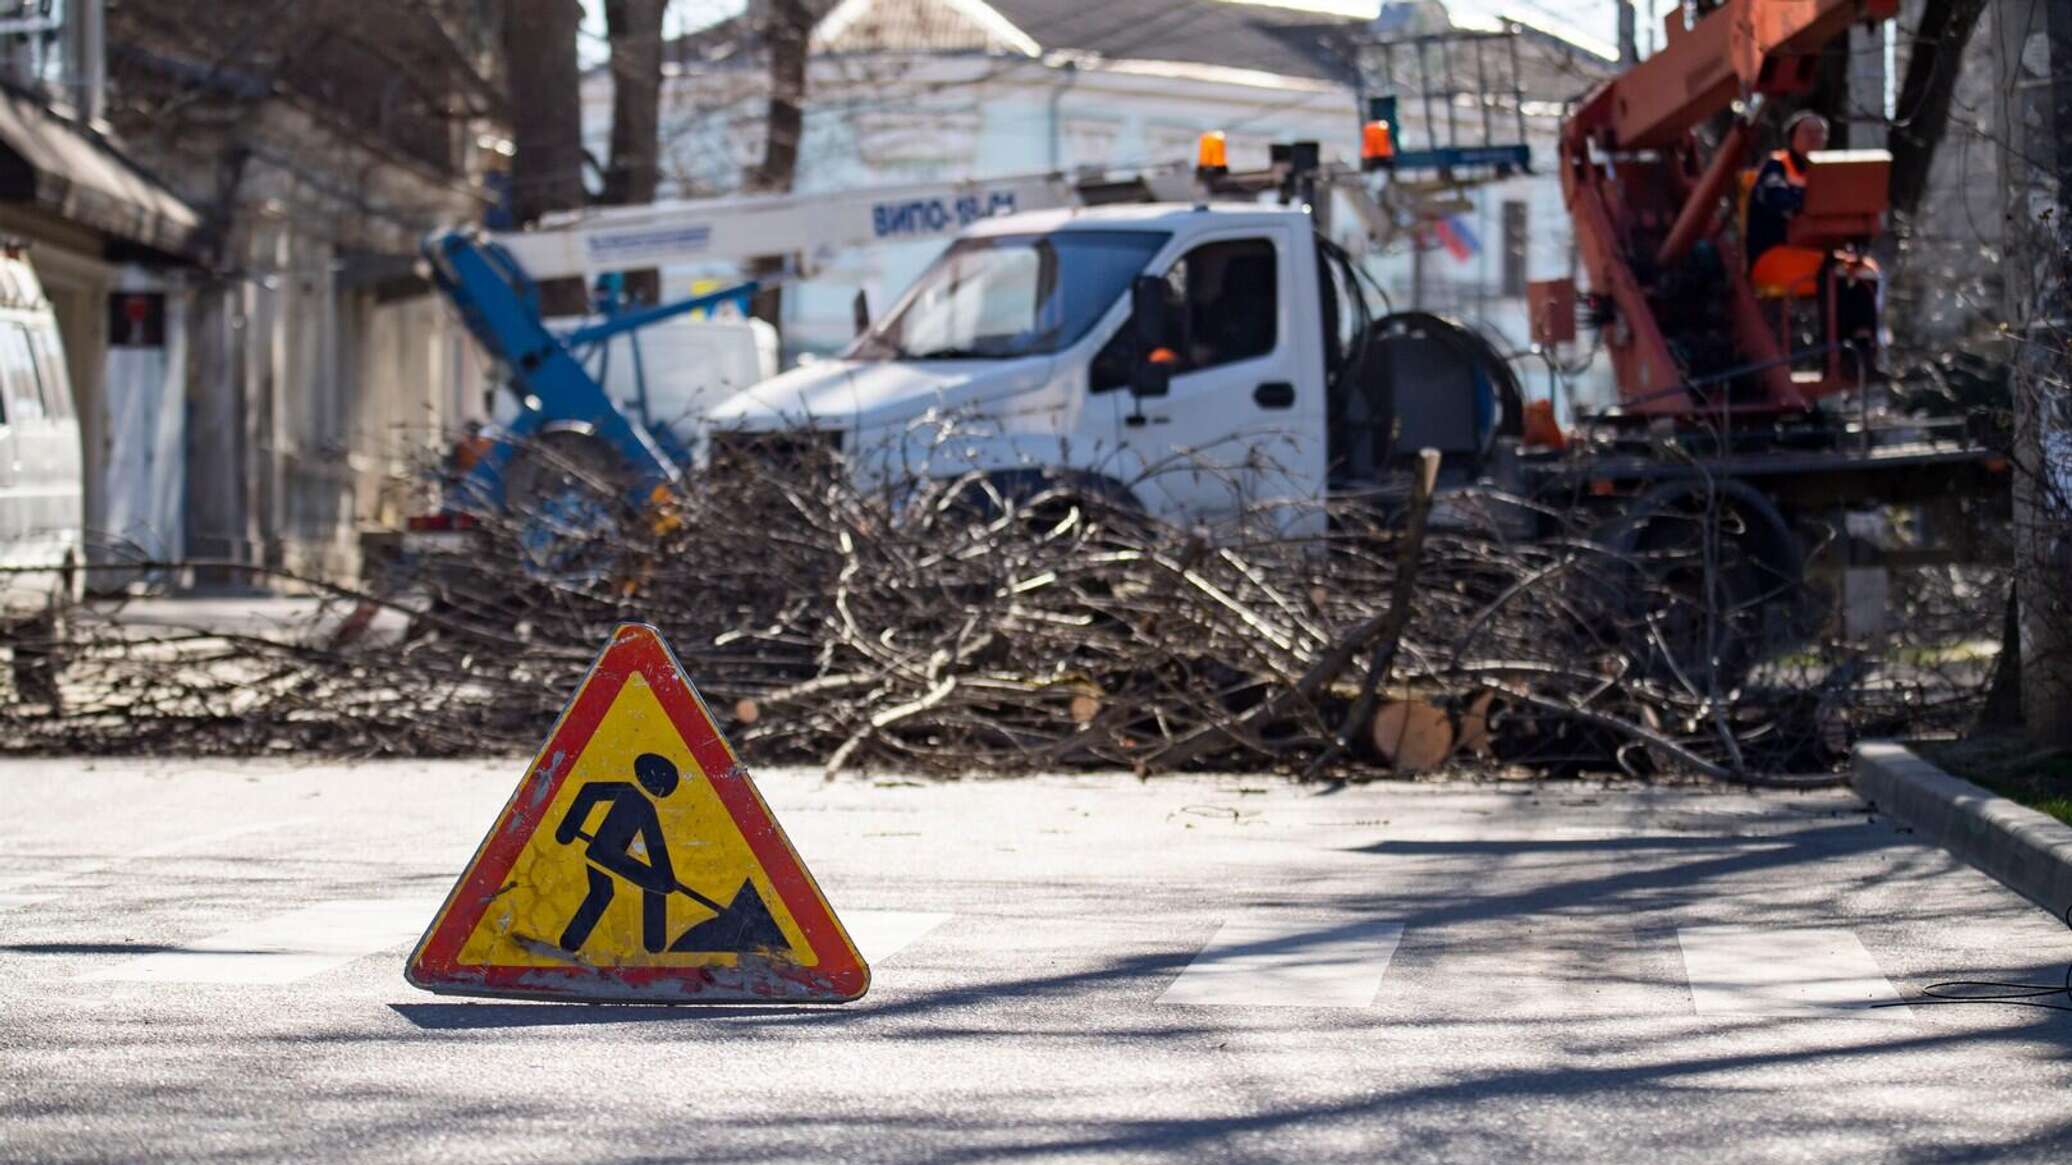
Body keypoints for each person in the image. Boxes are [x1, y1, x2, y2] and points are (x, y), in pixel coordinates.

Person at [1745, 110, 1880, 355]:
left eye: (1820, 133)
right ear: (1792, 137)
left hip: (1815, 255)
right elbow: (1777, 199)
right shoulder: (1777, 166)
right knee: (1833, 273)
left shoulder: (1828, 175)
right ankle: (1836, 350)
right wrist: (1811, 201)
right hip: (1774, 257)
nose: (1815, 138)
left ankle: (1861, 341)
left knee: (1865, 271)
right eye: (1808, 132)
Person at [554, 753, 682, 954]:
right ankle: (654, 943)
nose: (658, 792)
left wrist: (567, 830)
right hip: (607, 854)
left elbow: (656, 847)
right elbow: (589, 791)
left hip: (603, 853)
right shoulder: (631, 794)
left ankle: (569, 943)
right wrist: (567, 829)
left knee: (602, 892)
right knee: (654, 886)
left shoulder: (640, 802)